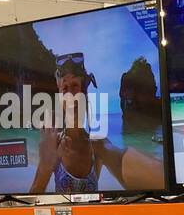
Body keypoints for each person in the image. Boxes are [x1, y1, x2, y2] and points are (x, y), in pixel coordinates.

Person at [28, 51, 164, 193]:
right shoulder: (54, 144)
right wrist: (45, 165)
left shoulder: (97, 145)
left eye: (75, 86)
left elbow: (120, 159)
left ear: (85, 94)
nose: (70, 96)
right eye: (65, 89)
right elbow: (32, 201)